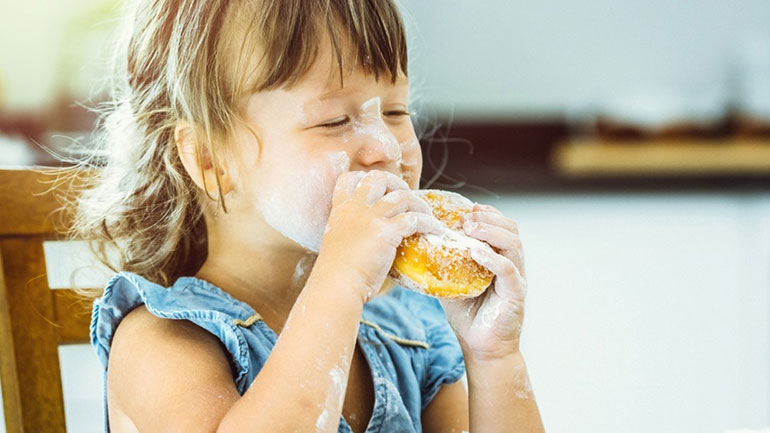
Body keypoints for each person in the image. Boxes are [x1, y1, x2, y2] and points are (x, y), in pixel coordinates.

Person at [73, 0, 545, 431]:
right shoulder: (164, 343)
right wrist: (339, 281)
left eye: (397, 111)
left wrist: (494, 358)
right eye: (334, 121)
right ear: (211, 160)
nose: (385, 148)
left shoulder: (410, 334)